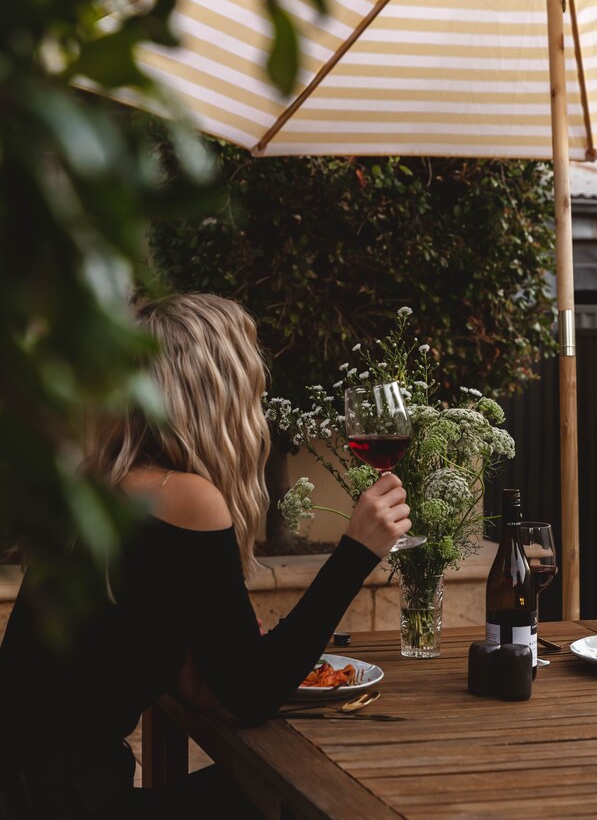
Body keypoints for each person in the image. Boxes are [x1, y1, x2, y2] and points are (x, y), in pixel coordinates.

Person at [0, 293, 411, 820]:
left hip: (34, 792)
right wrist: (356, 552)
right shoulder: (184, 497)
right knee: (311, 798)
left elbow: (196, 682)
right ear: (216, 394)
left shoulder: (103, 487)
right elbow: (250, 694)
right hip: (68, 802)